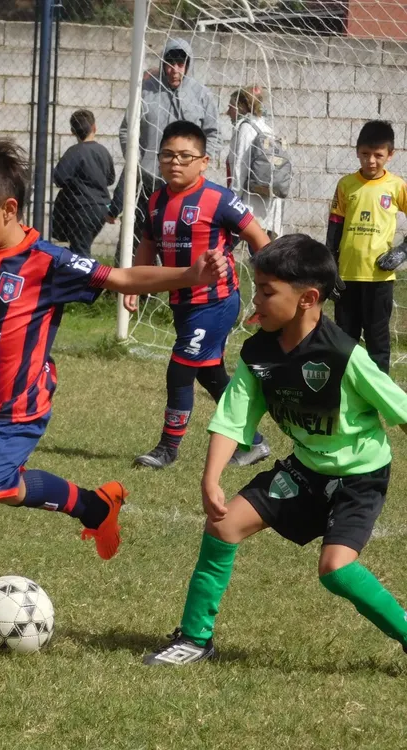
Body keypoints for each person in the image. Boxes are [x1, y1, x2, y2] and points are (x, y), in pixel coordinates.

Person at [0, 139, 230, 677]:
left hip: (16, 410)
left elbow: (121, 278)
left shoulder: (47, 263)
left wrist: (193, 277)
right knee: (4, 488)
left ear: (8, 210)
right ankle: (96, 507)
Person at [145, 234, 407, 666]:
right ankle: (195, 639)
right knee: (223, 526)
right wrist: (211, 478)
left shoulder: (345, 355)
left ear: (307, 298)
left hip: (359, 478)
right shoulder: (258, 352)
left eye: (267, 292)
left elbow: (399, 409)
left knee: (336, 569)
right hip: (305, 471)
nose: (257, 300)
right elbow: (233, 418)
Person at [125, 121, 271, 470]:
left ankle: (167, 449)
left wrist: (267, 289)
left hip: (216, 302)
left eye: (185, 156)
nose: (175, 162)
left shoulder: (218, 198)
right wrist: (133, 286)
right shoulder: (157, 200)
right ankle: (254, 442)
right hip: (183, 303)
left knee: (179, 370)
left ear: (203, 162)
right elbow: (147, 243)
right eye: (168, 155)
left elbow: (258, 237)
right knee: (211, 375)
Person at [108, 39, 220, 255]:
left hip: (186, 181)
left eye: (180, 64)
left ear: (188, 65)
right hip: (148, 180)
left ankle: (178, 281)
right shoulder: (145, 92)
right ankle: (129, 283)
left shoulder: (201, 95)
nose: (174, 70)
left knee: (180, 236)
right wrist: (135, 160)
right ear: (162, 64)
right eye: (170, 63)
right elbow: (126, 130)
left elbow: (213, 133)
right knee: (137, 235)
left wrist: (201, 164)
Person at [326, 120, 407, 374]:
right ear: (357, 151)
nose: (371, 161)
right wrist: (331, 267)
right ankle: (344, 390)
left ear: (390, 154)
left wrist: (403, 250)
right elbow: (335, 227)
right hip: (346, 276)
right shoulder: (346, 185)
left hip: (379, 278)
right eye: (365, 154)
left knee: (377, 340)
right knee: (344, 338)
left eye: (378, 155)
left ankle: (377, 393)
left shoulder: (397, 186)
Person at [52, 109, 115, 256]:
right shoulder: (103, 151)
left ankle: (89, 278)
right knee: (78, 247)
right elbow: (110, 179)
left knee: (80, 252)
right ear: (94, 127)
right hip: (102, 208)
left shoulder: (74, 152)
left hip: (82, 209)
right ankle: (75, 276)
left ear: (72, 131)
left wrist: (75, 182)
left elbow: (59, 178)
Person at [226, 86, 283, 238]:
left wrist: (231, 202)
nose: (227, 112)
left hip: (248, 207)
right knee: (260, 254)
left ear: (241, 107)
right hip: (267, 206)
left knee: (223, 244)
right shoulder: (267, 128)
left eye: (230, 107)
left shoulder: (246, 128)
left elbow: (240, 169)